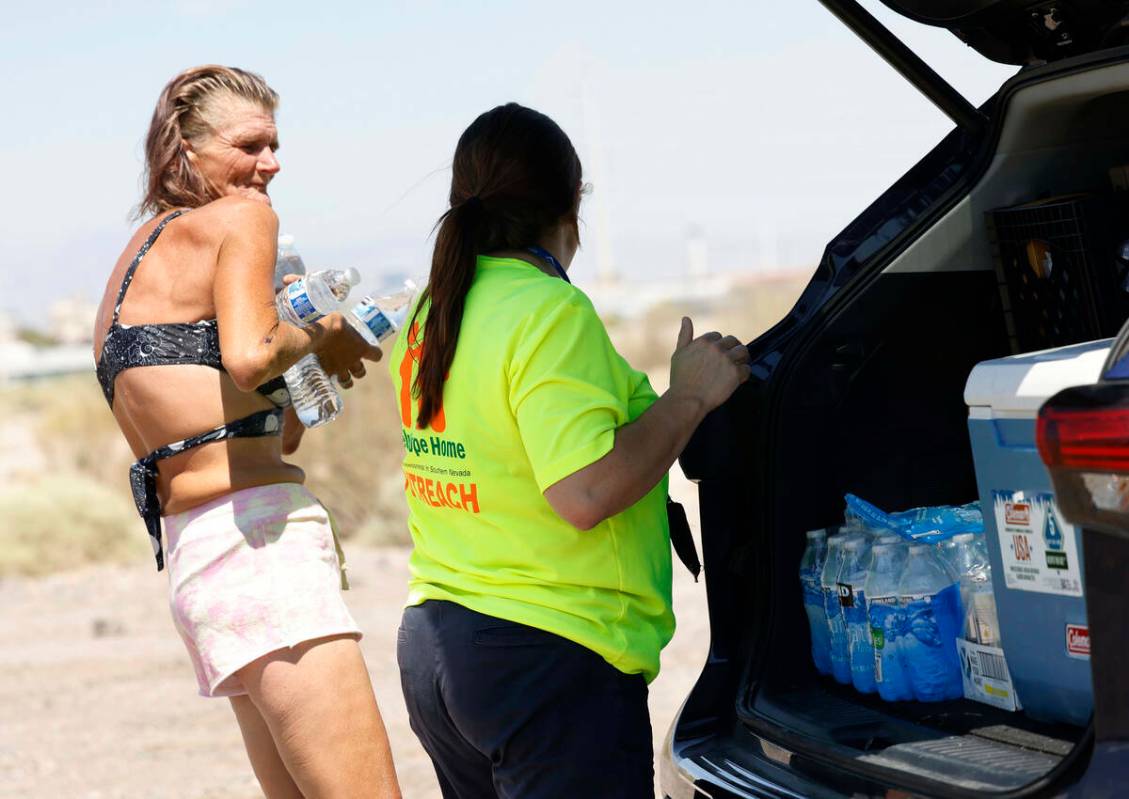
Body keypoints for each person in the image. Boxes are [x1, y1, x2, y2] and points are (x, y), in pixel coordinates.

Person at [391, 102, 751, 799]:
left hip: (439, 647)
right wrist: (689, 400)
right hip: (545, 658)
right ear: (571, 204)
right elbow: (583, 491)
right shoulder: (548, 310)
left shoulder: (436, 308)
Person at [92, 65, 401, 798]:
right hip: (263, 549)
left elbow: (265, 428)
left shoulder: (133, 262)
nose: (272, 162)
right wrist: (320, 333)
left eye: (276, 144)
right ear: (184, 150)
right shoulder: (242, 220)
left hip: (197, 557)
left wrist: (309, 370)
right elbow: (250, 353)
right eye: (251, 144)